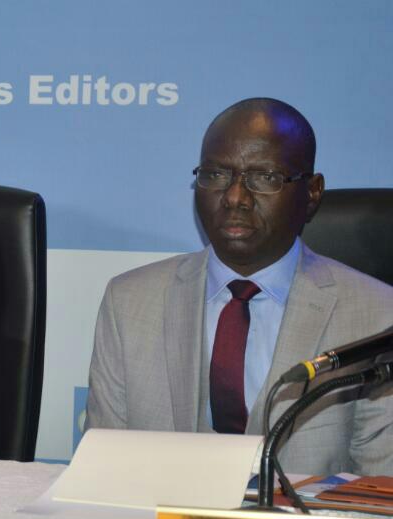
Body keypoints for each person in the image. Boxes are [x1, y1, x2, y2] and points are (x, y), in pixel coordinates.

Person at [85, 98, 393, 475]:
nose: (234, 198)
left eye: (265, 177)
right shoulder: (130, 302)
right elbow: (104, 474)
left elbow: (379, 493)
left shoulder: (377, 317)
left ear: (311, 192)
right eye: (215, 175)